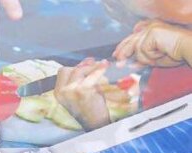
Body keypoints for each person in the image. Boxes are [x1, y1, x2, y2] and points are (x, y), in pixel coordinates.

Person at [53, 0, 192, 130]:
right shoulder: (162, 84)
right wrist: (99, 124)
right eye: (174, 27)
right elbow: (163, 150)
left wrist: (184, 44)